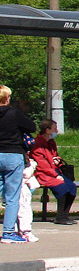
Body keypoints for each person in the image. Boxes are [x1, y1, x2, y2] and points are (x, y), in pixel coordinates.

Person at [0, 85, 37, 243]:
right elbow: (31, 127)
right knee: (12, 196)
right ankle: (8, 232)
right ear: (7, 98)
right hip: (13, 155)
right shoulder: (14, 113)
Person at [30, 118, 77, 225]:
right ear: (47, 130)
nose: (56, 131)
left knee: (72, 187)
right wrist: (55, 175)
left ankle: (65, 215)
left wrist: (57, 160)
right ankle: (60, 216)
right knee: (62, 187)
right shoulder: (37, 144)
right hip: (44, 174)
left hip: (55, 171)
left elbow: (55, 155)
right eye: (54, 129)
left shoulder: (51, 142)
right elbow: (42, 164)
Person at [17, 158, 38, 242]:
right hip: (21, 182)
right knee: (23, 206)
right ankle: (25, 232)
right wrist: (32, 165)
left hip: (23, 181)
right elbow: (26, 173)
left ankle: (16, 230)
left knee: (21, 205)